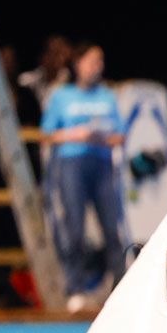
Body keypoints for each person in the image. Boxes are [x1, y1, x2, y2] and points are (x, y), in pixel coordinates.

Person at [40, 41, 126, 311]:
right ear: (78, 65)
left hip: (100, 164)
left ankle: (122, 290)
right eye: (91, 61)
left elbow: (120, 135)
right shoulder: (62, 96)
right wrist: (76, 134)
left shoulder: (107, 96)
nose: (96, 67)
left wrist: (99, 137)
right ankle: (74, 289)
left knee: (113, 230)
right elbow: (46, 133)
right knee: (74, 228)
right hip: (71, 164)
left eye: (99, 61)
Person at [18, 34, 72, 114]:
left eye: (61, 54)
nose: (58, 59)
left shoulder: (70, 79)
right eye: (53, 53)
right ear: (44, 56)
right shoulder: (30, 79)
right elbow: (22, 80)